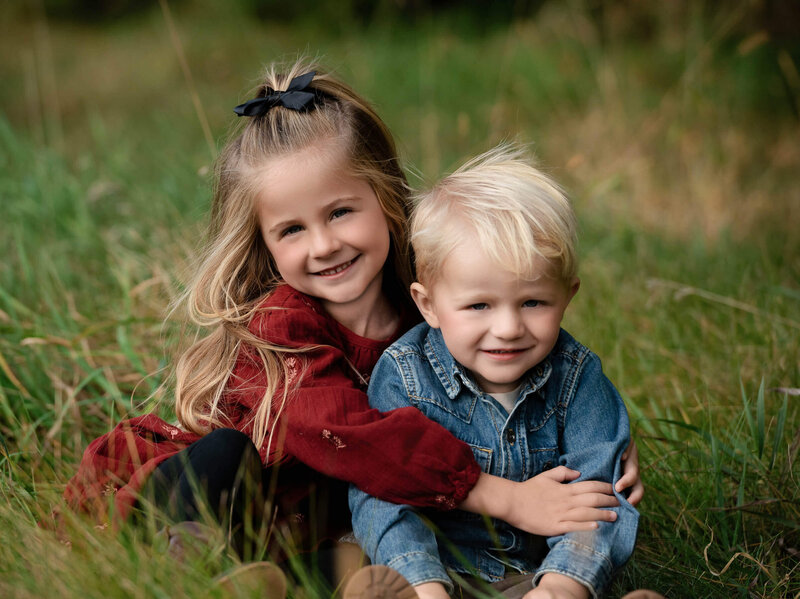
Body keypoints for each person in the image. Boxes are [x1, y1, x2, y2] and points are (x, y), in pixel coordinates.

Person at [63, 61, 641, 594]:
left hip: (309, 530)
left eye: (341, 212)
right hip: (216, 497)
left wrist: (603, 449)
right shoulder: (282, 326)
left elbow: (528, 362)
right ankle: (187, 565)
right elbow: (354, 436)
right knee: (223, 454)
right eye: (291, 230)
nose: (324, 245)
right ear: (265, 242)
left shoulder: (433, 308)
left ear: (385, 196)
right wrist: (506, 500)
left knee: (365, 570)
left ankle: (255, 583)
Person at [349, 145, 643, 599]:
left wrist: (561, 587)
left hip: (536, 574)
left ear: (567, 296)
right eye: (479, 305)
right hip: (435, 570)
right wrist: (422, 583)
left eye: (533, 302)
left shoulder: (578, 378)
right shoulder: (405, 377)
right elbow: (384, 490)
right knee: (384, 493)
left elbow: (599, 499)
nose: (507, 329)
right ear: (428, 305)